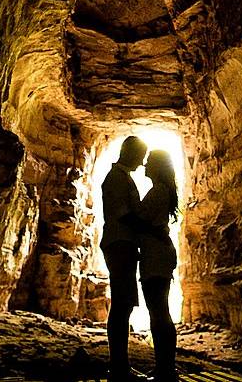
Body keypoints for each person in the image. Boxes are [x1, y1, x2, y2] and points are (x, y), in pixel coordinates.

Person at [122, 150, 179, 382]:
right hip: (157, 253)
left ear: (157, 167)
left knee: (159, 313)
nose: (144, 165)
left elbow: (141, 220)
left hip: (155, 255)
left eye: (149, 163)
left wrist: (124, 212)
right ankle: (165, 368)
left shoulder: (158, 192)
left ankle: (166, 370)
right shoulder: (162, 191)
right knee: (159, 312)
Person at [100, 136, 149, 381]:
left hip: (121, 243)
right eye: (140, 157)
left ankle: (120, 366)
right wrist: (149, 226)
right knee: (122, 304)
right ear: (130, 153)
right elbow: (123, 214)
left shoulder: (120, 177)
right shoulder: (118, 179)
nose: (142, 164)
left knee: (123, 304)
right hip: (120, 243)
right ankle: (119, 368)